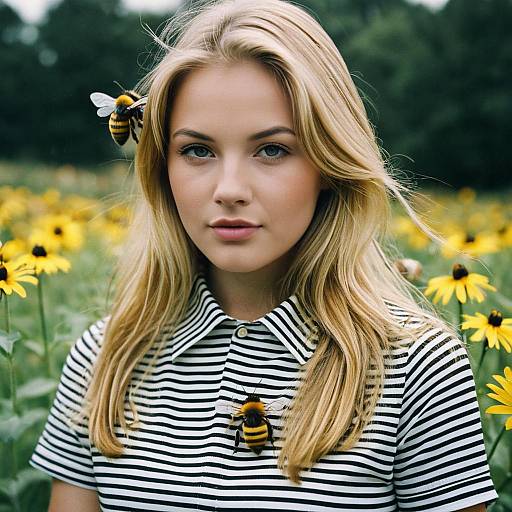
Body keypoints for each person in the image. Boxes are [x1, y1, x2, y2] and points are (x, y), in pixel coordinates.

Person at [30, 0, 499, 510]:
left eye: (272, 149)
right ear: (162, 168)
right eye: (197, 150)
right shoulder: (105, 357)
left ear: (330, 163)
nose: (229, 189)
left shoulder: (417, 368)